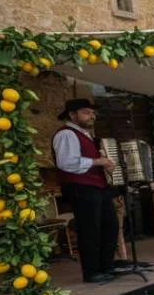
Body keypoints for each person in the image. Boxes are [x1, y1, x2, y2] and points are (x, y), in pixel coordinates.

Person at [51, 99, 119, 282]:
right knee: (89, 229)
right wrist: (98, 161)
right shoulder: (66, 134)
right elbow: (67, 162)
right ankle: (91, 271)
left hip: (96, 186)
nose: (92, 116)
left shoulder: (85, 134)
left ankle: (106, 266)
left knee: (109, 226)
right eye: (86, 113)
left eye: (93, 113)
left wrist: (104, 164)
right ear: (72, 114)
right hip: (80, 187)